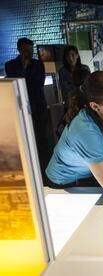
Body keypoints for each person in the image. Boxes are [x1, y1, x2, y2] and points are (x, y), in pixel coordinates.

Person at [5, 37, 49, 176]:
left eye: (30, 50)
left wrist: (24, 77)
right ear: (19, 50)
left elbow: (38, 83)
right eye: (25, 50)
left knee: (42, 135)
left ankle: (44, 166)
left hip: (38, 104)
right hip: (21, 107)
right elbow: (15, 83)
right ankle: (29, 165)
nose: (28, 53)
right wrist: (24, 71)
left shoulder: (38, 64)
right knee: (25, 137)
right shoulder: (10, 65)